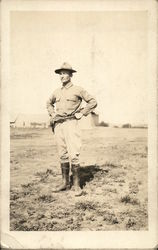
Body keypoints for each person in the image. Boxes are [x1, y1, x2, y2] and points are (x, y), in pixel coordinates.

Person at [46, 62, 97, 196]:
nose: (61, 76)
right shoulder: (57, 92)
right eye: (60, 74)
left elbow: (92, 101)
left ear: (70, 75)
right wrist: (52, 114)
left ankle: (76, 186)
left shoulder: (78, 90)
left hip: (71, 123)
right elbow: (48, 103)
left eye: (64, 73)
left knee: (73, 154)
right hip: (58, 125)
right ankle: (65, 183)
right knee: (62, 153)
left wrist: (83, 112)